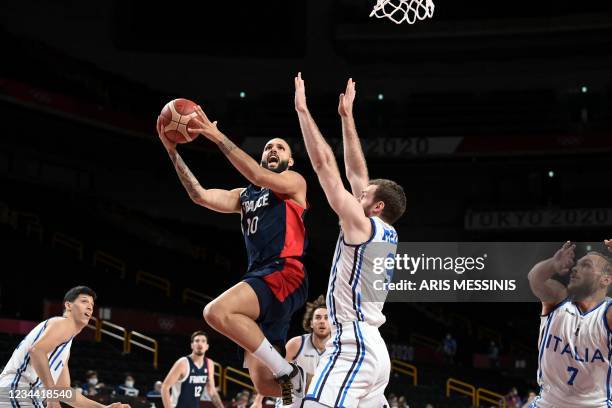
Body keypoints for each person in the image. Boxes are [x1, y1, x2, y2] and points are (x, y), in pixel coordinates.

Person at [157, 102, 309, 404]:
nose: (273, 150)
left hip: (285, 271)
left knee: (215, 311)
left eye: (280, 148)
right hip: (260, 278)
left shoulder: (295, 183)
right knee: (266, 386)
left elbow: (256, 173)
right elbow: (200, 196)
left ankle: (287, 371)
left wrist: (216, 136)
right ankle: (315, 390)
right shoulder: (244, 196)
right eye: (268, 147)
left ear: (290, 161)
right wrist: (172, 150)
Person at [294, 73, 406, 407]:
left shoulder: (363, 225)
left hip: (352, 343)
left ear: (377, 206)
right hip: (375, 350)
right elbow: (357, 174)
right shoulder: (387, 233)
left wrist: (302, 110)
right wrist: (347, 118)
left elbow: (323, 164)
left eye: (364, 196)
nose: (358, 195)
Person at [0, 286, 130, 408]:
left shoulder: (65, 344)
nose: (90, 307)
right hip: (17, 390)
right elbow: (37, 351)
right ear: (68, 305)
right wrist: (51, 396)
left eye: (92, 305)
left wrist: (103, 407)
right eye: (84, 301)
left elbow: (63, 391)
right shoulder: (64, 323)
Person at [527, 239, 612, 407]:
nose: (575, 268)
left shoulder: (607, 313)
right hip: (547, 403)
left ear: (606, 280)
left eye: (586, 265)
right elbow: (534, 279)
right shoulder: (558, 300)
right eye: (577, 264)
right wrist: (553, 264)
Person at [252, 295, 331, 407]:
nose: (322, 321)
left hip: (316, 399)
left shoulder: (338, 348)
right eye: (318, 317)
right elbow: (275, 371)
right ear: (311, 323)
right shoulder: (296, 344)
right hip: (291, 397)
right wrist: (258, 401)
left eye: (327, 318)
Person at [160, 331, 223, 408]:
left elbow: (212, 391)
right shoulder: (183, 363)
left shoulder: (209, 363)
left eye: (203, 341)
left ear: (207, 347)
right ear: (192, 346)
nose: (200, 343)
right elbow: (165, 387)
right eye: (197, 341)